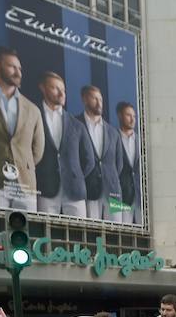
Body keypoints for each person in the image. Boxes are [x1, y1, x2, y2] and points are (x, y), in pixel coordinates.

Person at [0, 46, 44, 211]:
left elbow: (38, 150)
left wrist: (21, 163)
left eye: (19, 68)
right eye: (12, 67)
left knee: (25, 236)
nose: (18, 72)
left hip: (25, 185)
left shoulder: (32, 109)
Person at [34, 70, 93, 216]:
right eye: (55, 88)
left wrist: (73, 174)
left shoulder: (77, 125)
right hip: (45, 189)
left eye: (63, 90)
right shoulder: (34, 115)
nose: (61, 94)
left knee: (80, 236)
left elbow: (89, 160)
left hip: (75, 191)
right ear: (42, 87)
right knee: (45, 235)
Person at [78, 84, 125, 221]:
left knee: (116, 236)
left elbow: (119, 165)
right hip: (88, 190)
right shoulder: (75, 124)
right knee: (92, 236)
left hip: (113, 191)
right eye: (94, 98)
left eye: (101, 99)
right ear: (85, 99)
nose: (99, 103)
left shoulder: (113, 132)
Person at [117, 102, 143, 225]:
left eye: (134, 116)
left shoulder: (141, 141)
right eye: (128, 115)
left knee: (144, 236)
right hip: (120, 196)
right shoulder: (113, 137)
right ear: (120, 116)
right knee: (121, 234)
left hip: (140, 198)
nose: (132, 119)